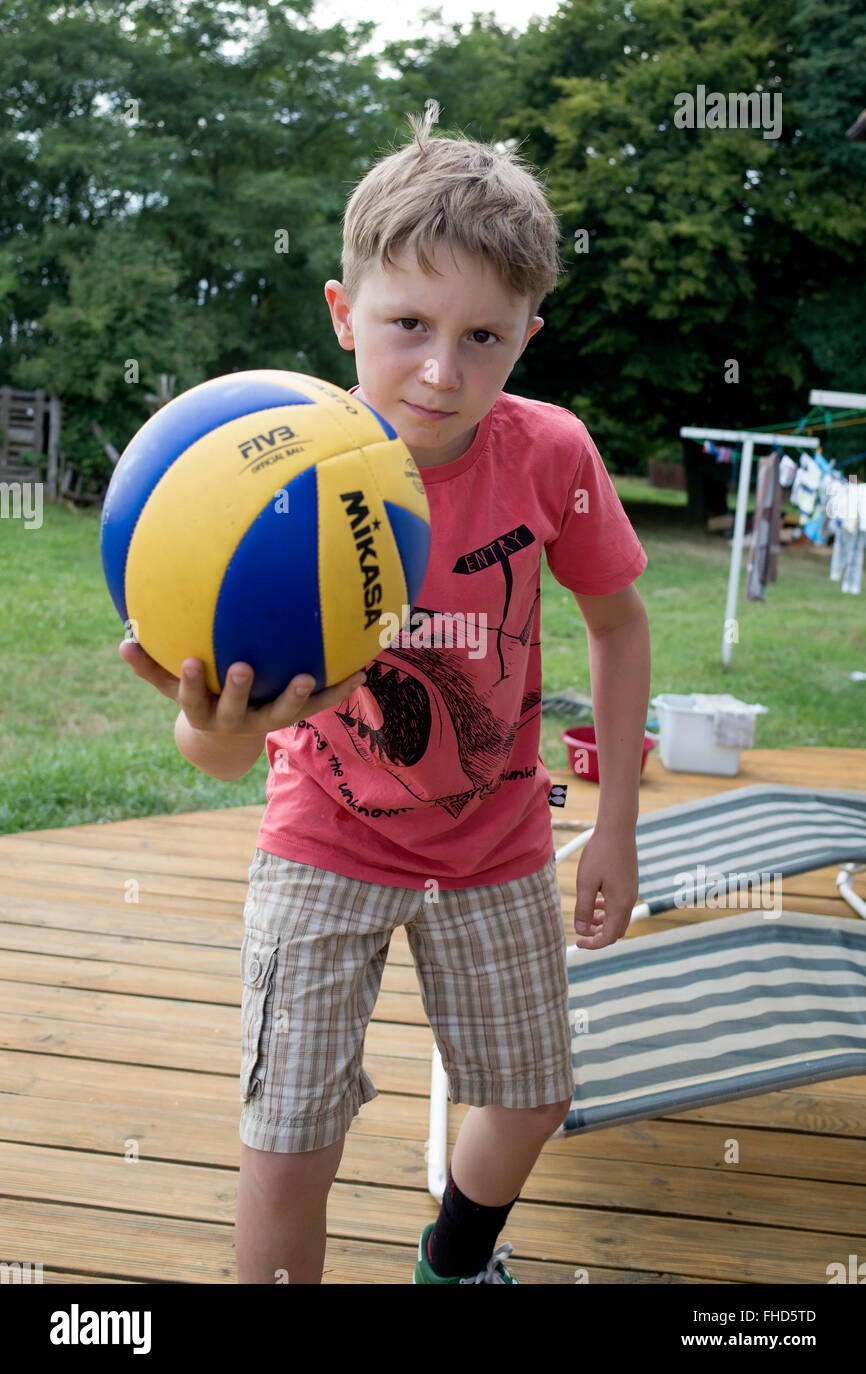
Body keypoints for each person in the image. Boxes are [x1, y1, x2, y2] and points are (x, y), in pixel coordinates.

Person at [120, 107, 650, 1285]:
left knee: (528, 1096)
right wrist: (206, 729)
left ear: (525, 338)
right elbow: (216, 753)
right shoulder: (274, 469)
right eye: (407, 323)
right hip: (325, 836)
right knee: (288, 1139)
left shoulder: (550, 456)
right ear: (341, 312)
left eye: (484, 338)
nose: (440, 370)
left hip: (497, 838)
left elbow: (615, 621)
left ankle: (453, 1261)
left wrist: (610, 820)